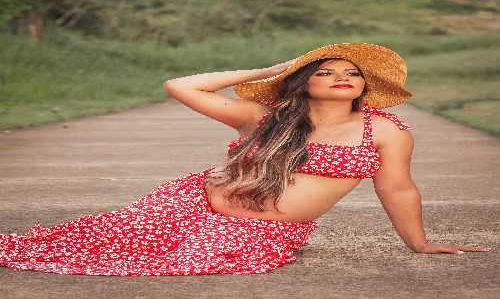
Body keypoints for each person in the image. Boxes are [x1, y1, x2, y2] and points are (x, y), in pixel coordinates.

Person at [0, 42, 491, 276]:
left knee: (173, 263)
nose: (343, 77)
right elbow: (180, 86)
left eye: (352, 73)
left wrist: (419, 243)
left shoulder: (382, 131)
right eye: (325, 71)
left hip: (260, 231)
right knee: (78, 244)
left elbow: (397, 189)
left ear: (364, 86)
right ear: (303, 82)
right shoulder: (262, 116)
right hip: (190, 204)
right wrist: (272, 68)